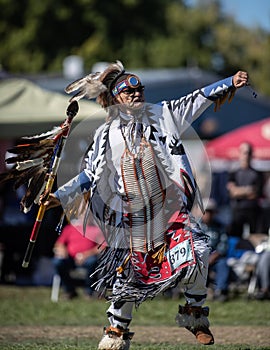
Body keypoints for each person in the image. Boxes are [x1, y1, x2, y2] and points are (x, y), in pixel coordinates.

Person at [43, 61, 248, 349]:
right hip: (134, 217)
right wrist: (60, 195)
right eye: (130, 92)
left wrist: (229, 82)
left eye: (140, 90)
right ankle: (115, 332)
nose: (137, 94)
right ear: (116, 98)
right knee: (129, 276)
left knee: (199, 250)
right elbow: (90, 174)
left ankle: (195, 314)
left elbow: (198, 98)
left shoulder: (163, 114)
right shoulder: (105, 135)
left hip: (169, 208)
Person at [52, 220, 104, 299]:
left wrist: (85, 255)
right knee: (57, 262)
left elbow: (102, 247)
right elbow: (59, 243)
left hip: (88, 258)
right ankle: (69, 291)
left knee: (92, 262)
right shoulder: (70, 228)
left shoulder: (97, 229)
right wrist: (63, 250)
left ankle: (89, 292)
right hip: (70, 258)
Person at [227, 142, 264, 237]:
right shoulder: (234, 173)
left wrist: (239, 191)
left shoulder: (257, 174)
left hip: (253, 212)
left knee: (254, 237)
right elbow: (232, 192)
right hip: (237, 211)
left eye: (248, 152)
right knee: (235, 238)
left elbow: (256, 193)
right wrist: (248, 189)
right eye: (244, 152)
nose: (246, 155)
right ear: (239, 154)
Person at [200, 199, 230, 302]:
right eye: (205, 212)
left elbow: (223, 244)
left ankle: (220, 291)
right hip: (198, 259)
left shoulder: (220, 227)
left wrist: (213, 256)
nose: (207, 215)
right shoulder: (195, 227)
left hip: (215, 258)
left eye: (210, 212)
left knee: (223, 264)